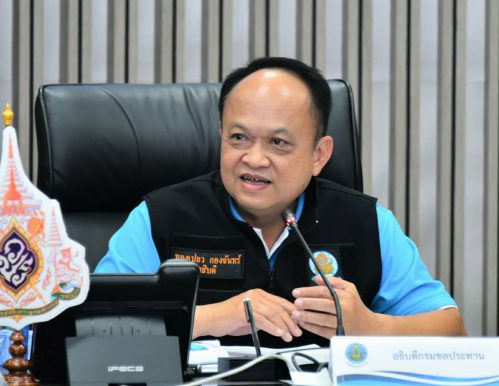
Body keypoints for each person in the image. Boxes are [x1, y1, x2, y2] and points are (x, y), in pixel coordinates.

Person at [96, 57, 466, 347]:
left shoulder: (366, 222)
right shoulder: (161, 217)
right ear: (220, 135)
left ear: (319, 155)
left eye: (278, 143)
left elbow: (452, 332)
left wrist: (370, 326)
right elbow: (94, 326)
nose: (254, 159)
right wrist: (208, 319)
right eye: (238, 138)